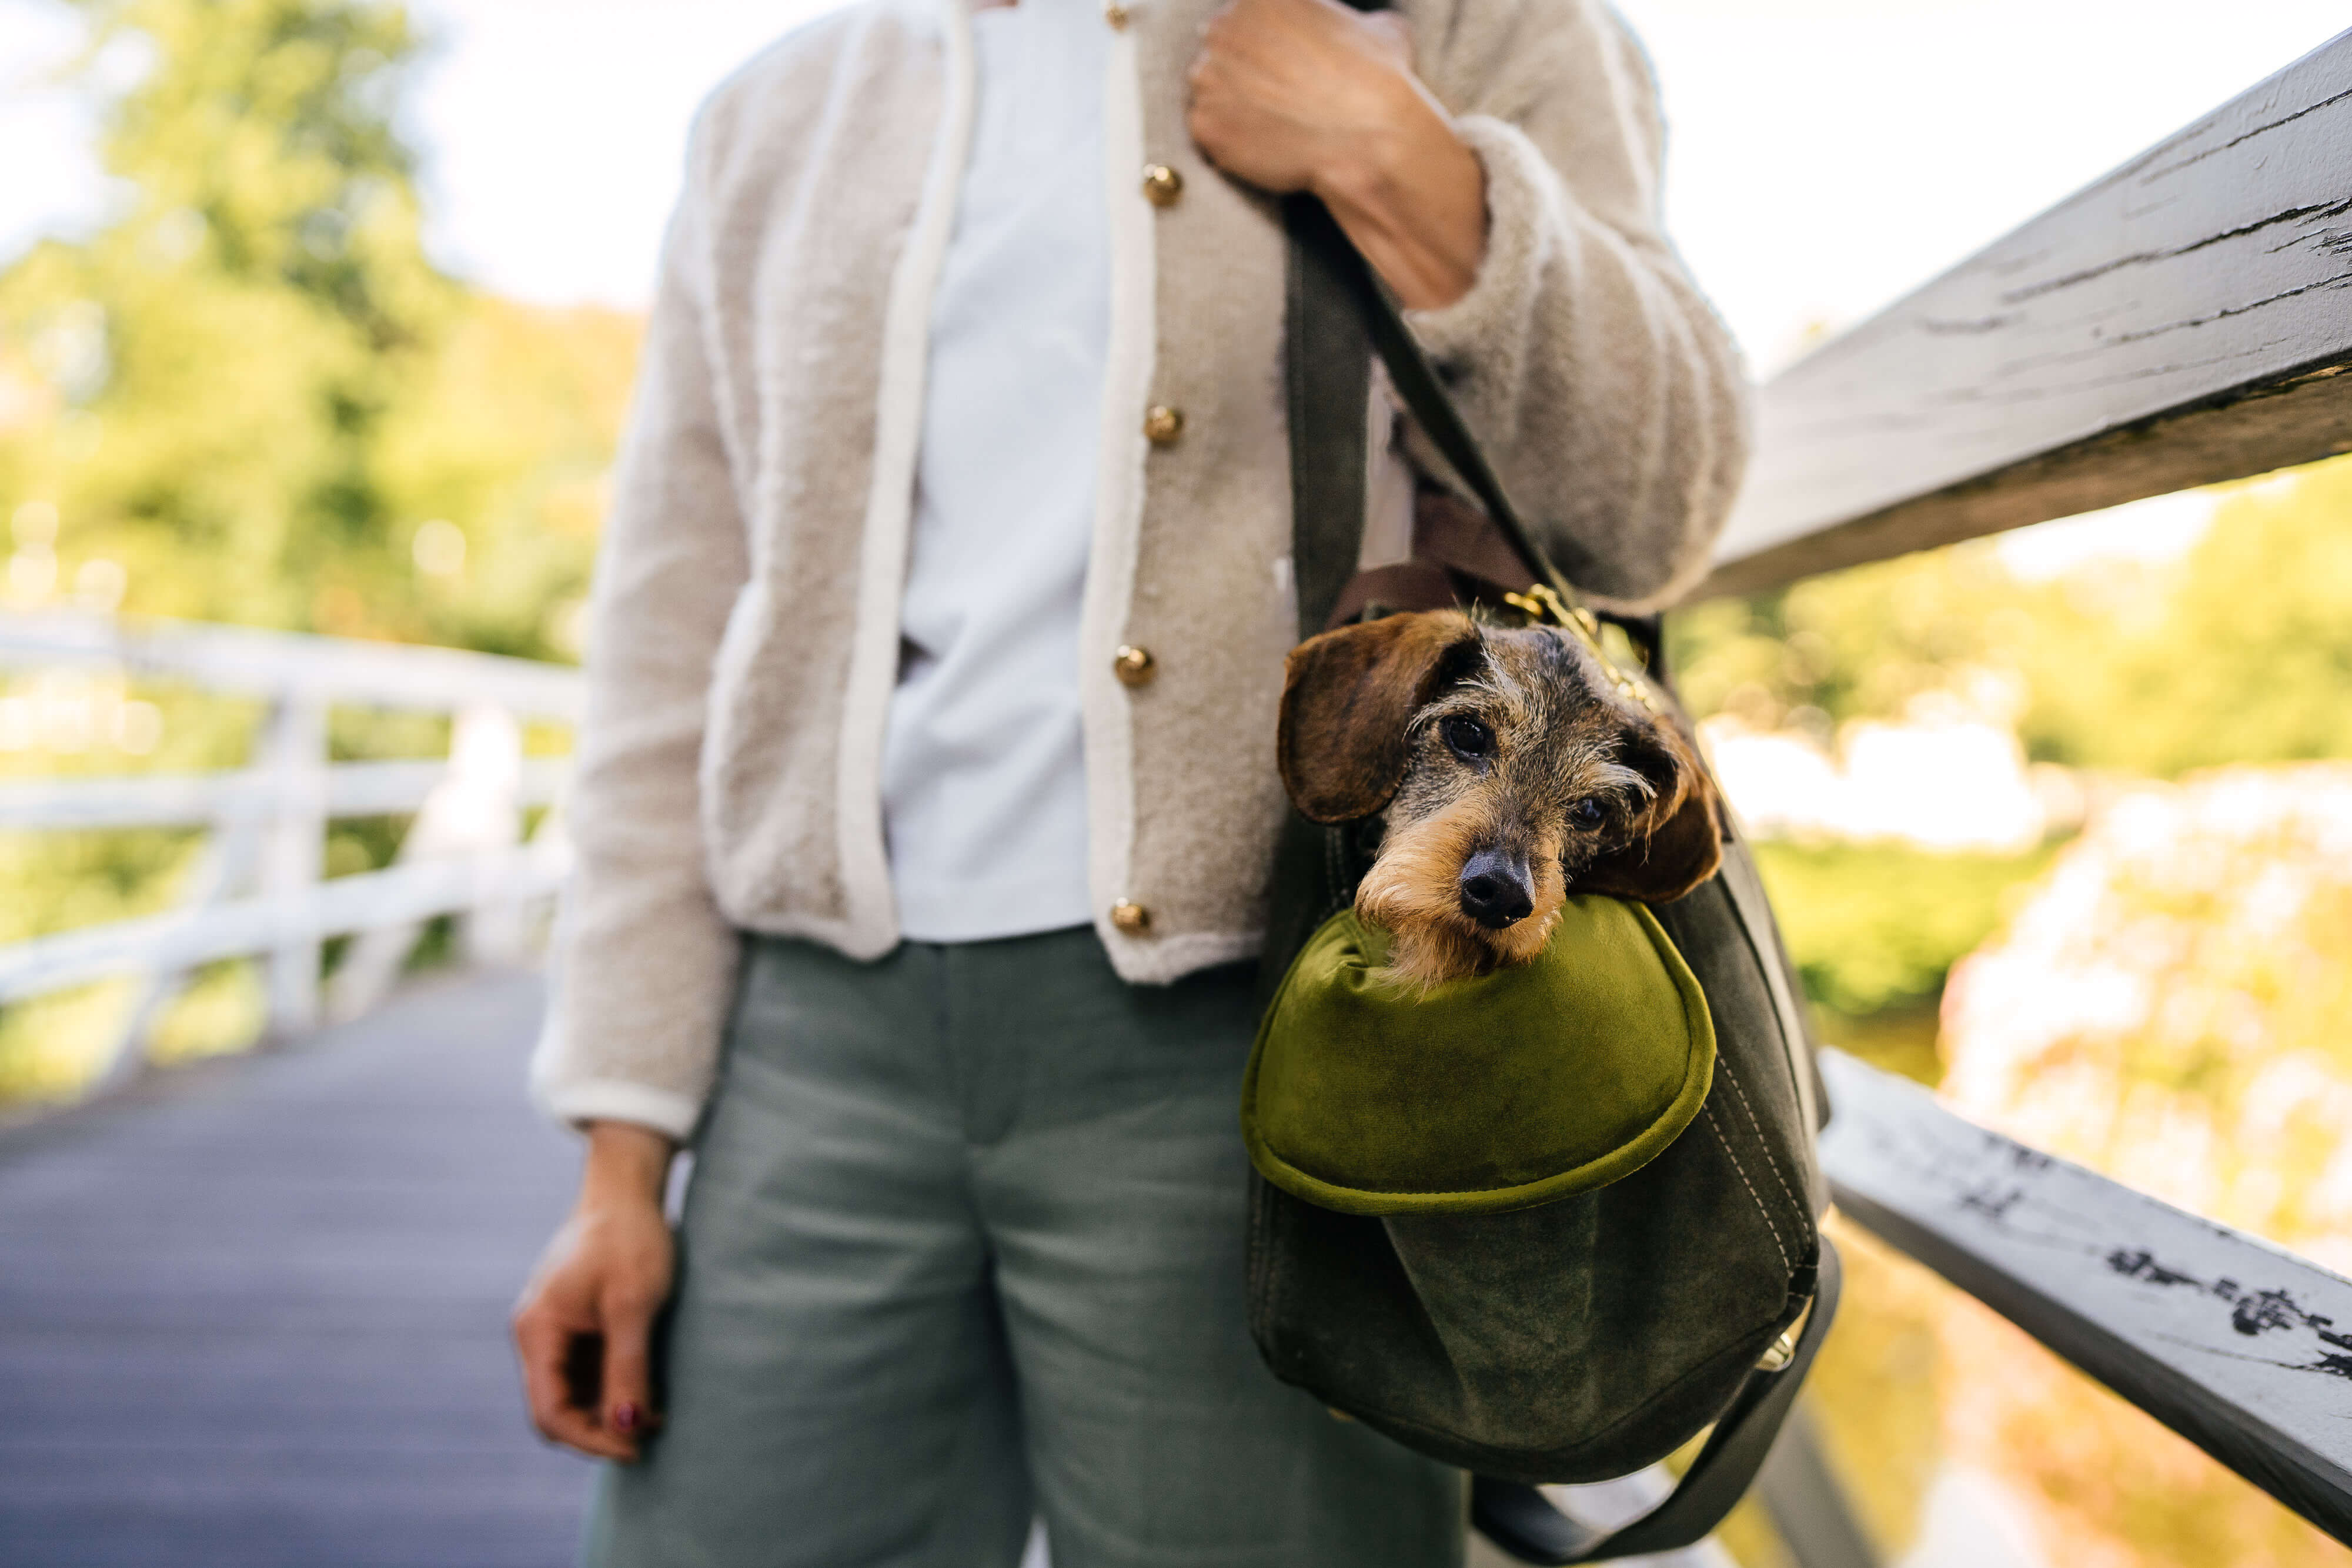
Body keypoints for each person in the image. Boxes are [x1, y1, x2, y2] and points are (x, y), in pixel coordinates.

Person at [512, 0, 1747, 1559]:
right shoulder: (779, 106)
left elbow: (1665, 505)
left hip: (1265, 1047)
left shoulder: (1454, 21)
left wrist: (1402, 162)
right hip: (812, 1053)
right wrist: (622, 1158)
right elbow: (670, 633)